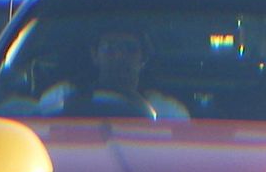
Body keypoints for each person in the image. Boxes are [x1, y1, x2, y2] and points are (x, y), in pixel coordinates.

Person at [38, 26, 189, 118]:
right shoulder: (62, 98)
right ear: (95, 55)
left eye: (130, 49)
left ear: (143, 58)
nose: (119, 56)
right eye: (110, 48)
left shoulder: (167, 112)